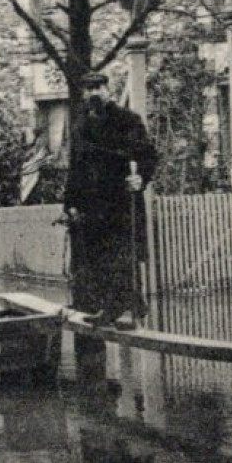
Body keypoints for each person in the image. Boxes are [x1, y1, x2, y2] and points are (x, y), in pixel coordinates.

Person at [64, 73, 158, 328]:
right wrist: (70, 202)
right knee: (98, 256)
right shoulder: (80, 127)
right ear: (83, 94)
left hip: (120, 200)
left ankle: (129, 309)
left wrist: (141, 178)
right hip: (92, 204)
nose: (94, 93)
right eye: (88, 89)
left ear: (108, 90)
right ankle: (110, 307)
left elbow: (148, 155)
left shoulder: (128, 120)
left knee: (123, 254)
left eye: (98, 87)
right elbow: (75, 167)